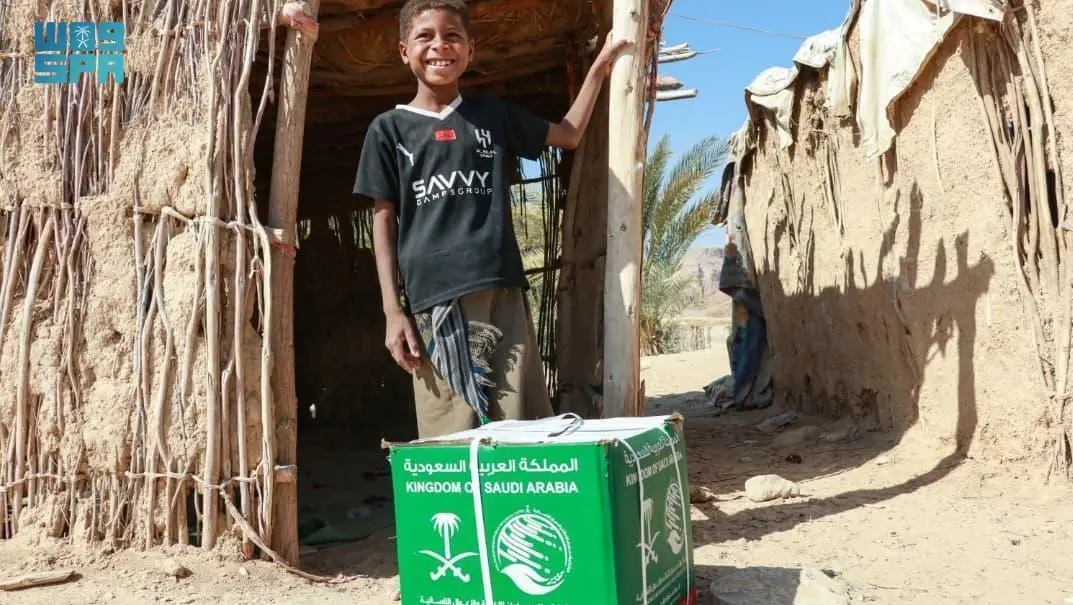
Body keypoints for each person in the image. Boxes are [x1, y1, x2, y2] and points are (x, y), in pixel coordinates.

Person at [354, 0, 630, 439]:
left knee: (520, 420)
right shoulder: (389, 130)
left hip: (501, 284)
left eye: (452, 36)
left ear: (471, 49)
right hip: (435, 298)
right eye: (425, 37)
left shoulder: (491, 116)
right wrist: (392, 311)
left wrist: (598, 67)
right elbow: (383, 219)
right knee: (450, 429)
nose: (440, 46)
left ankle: (522, 488)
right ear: (404, 51)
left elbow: (569, 135)